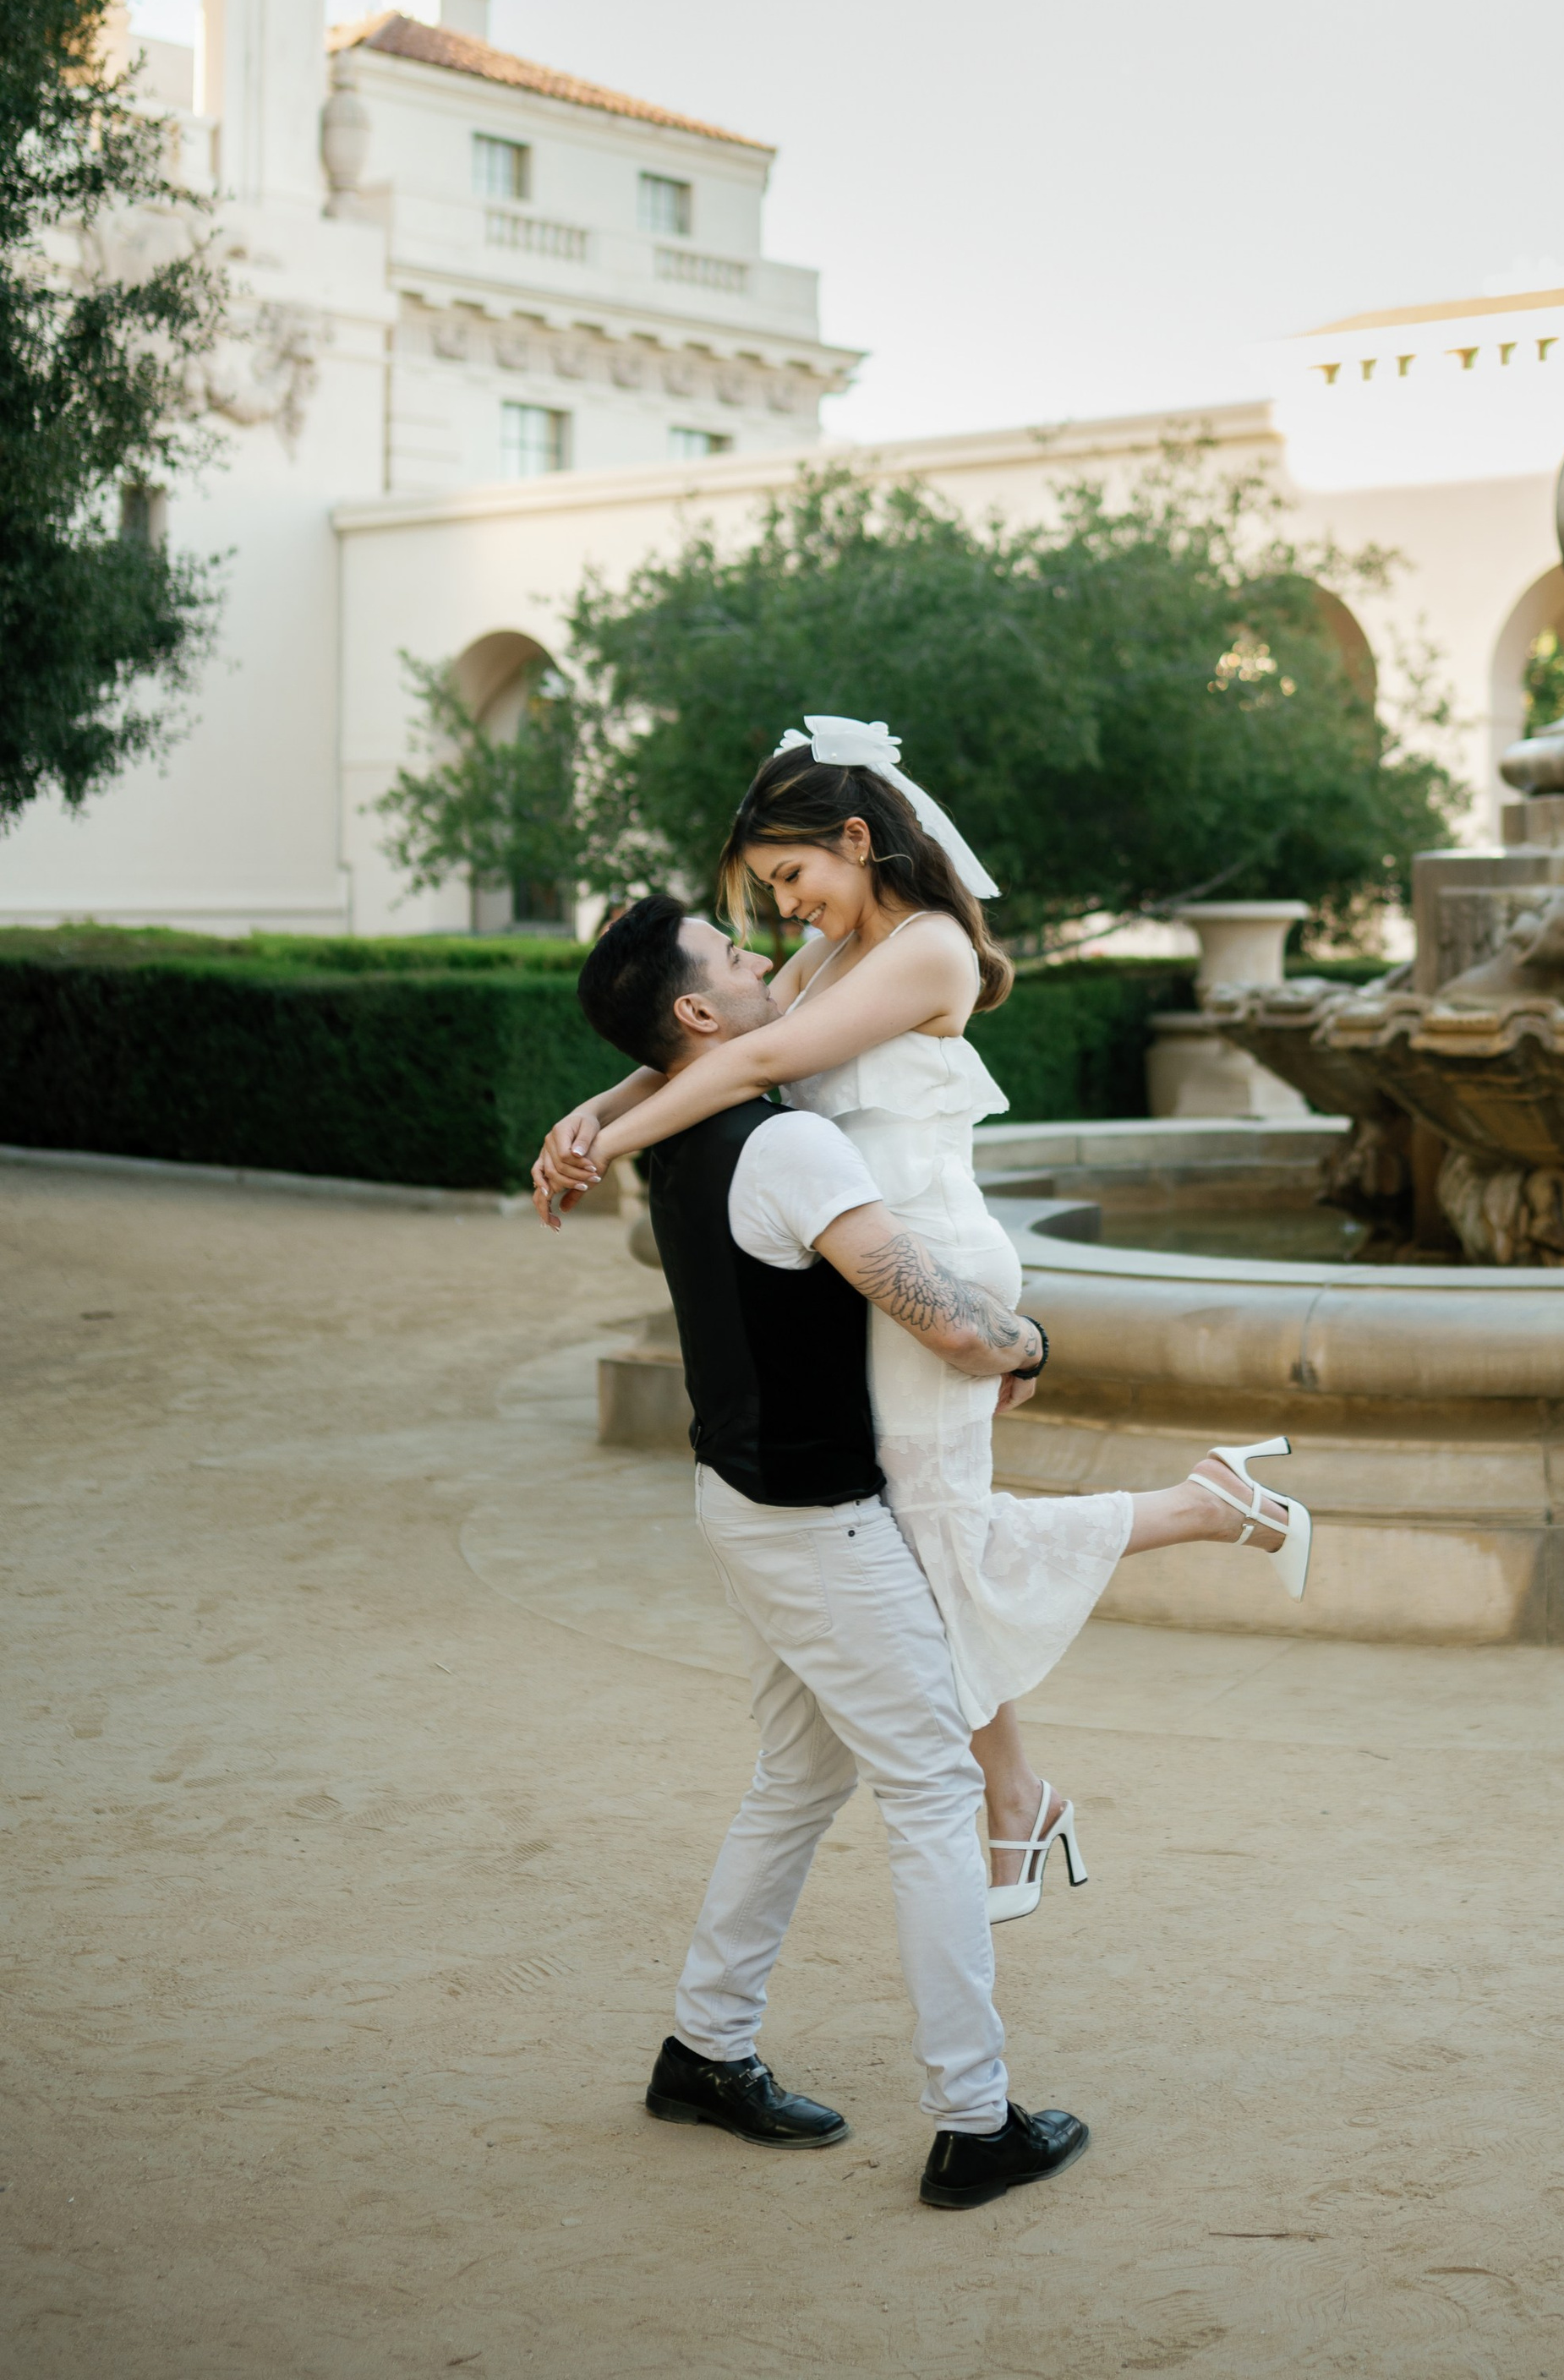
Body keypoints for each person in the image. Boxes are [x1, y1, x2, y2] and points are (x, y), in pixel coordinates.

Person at [537, 715, 1310, 1924]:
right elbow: (701, 1039)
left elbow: (743, 1067)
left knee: (936, 1547)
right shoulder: (837, 953)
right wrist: (581, 1120)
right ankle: (1024, 1788)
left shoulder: (929, 949)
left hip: (927, 1261)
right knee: (924, 1549)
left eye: (794, 878)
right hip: (857, 1257)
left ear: (856, 840)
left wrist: (603, 1154)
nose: (787, 911)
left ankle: (1199, 1517)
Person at [569, 892, 1086, 2210]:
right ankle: (977, 2122)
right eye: (738, 957)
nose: (770, 962)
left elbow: (762, 1016)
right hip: (818, 1526)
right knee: (931, 1794)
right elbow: (949, 1326)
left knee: (798, 1782)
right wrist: (1027, 1345)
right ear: (699, 1013)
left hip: (742, 1506)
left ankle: (706, 2046)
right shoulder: (785, 1148)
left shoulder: (672, 1138)